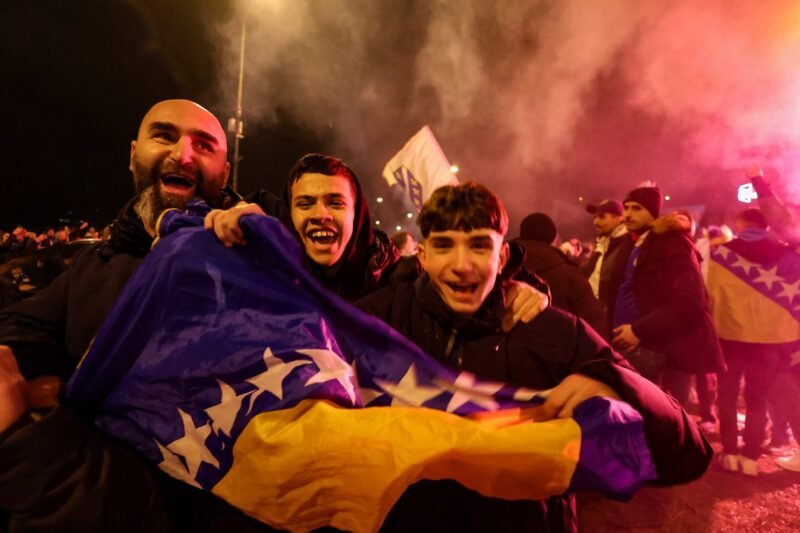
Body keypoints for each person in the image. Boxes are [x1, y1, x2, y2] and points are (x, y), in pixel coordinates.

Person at [356, 182, 713, 532]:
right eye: (444, 246)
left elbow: (685, 453)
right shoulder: (377, 322)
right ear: (423, 257)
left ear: (504, 257)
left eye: (479, 246)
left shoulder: (556, 334)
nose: (462, 265)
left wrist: (614, 388)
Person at [0, 99, 271, 531]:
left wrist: (265, 251)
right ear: (133, 155)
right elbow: (23, 331)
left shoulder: (249, 261)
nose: (182, 155)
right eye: (164, 135)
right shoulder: (97, 262)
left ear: (224, 172)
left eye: (204, 146)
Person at [205, 153, 548, 328]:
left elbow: (458, 279)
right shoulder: (265, 264)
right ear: (290, 215)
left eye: (335, 203)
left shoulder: (392, 275)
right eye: (305, 203)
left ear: (358, 215)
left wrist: (513, 288)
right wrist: (230, 219)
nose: (320, 214)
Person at [611, 185, 725, 406]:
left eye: (637, 208)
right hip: (639, 348)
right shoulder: (638, 242)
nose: (628, 214)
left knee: (665, 424)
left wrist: (639, 329)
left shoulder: (672, 242)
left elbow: (690, 299)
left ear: (653, 212)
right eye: (626, 208)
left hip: (665, 352)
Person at [707, 207, 799, 476]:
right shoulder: (787, 255)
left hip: (730, 337)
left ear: (741, 223)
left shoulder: (720, 252)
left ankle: (730, 452)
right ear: (766, 226)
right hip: (770, 340)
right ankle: (750, 457)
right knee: (757, 398)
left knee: (727, 395)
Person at [513, 212, 606, 336]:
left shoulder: (499, 263)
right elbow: (594, 323)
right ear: (553, 238)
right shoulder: (569, 274)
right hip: (555, 350)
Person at [582, 199, 630, 336]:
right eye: (595, 217)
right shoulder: (602, 242)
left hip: (614, 319)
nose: (595, 222)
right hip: (596, 311)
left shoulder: (628, 245)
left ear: (619, 218)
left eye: (602, 217)